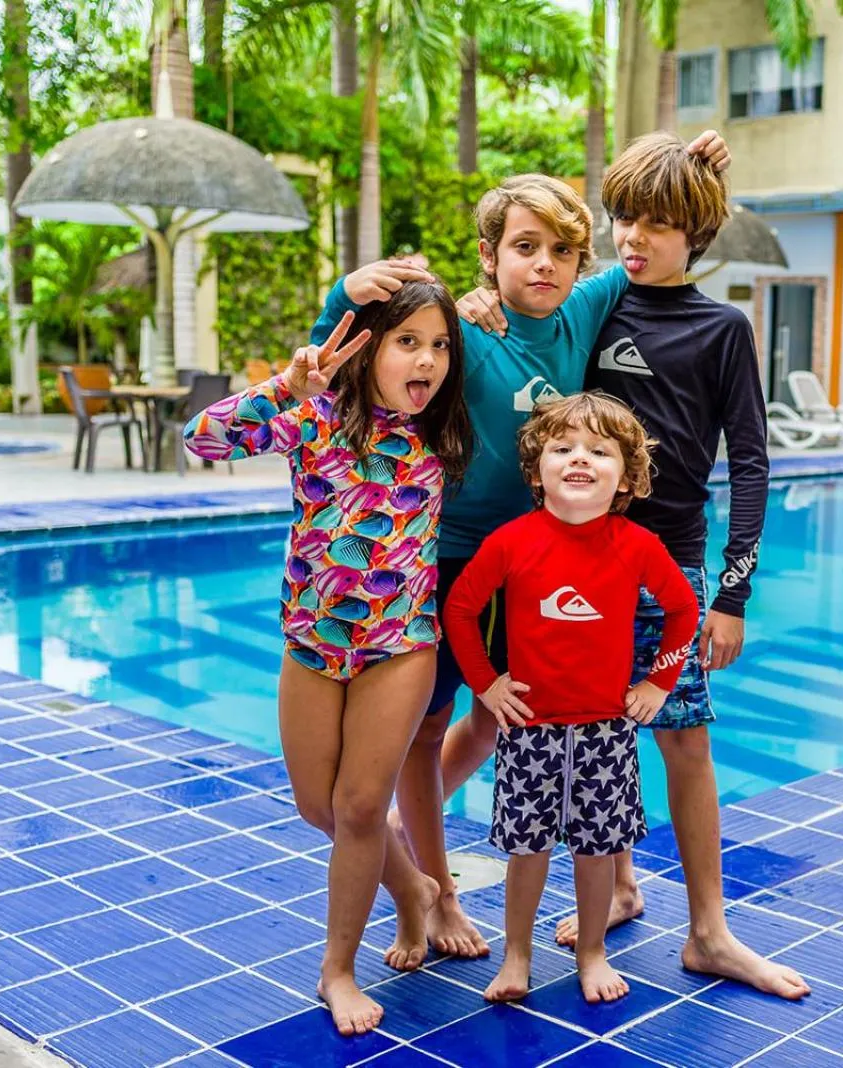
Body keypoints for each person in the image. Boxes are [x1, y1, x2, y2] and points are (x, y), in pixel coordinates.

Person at [309, 133, 730, 961]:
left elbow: (658, 236)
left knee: (505, 714)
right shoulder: (463, 333)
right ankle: (436, 890)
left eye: (561, 252)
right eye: (524, 247)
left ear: (580, 265)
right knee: (428, 728)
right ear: (489, 256)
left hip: (538, 563)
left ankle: (428, 845)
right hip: (447, 557)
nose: (544, 264)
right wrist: (345, 296)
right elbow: (350, 362)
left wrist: (697, 168)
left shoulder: (586, 306)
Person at [447, 132, 809, 999]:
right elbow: (523, 311)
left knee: (684, 739)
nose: (634, 238)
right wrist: (476, 299)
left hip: (666, 566)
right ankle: (612, 886)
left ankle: (710, 932)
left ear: (697, 235)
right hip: (563, 569)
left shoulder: (724, 329)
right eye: (624, 220)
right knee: (566, 726)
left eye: (658, 224)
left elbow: (750, 463)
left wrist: (732, 594)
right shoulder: (596, 305)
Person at [183, 268, 474, 1035]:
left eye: (440, 345)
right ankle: (412, 888)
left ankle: (338, 969)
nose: (427, 359)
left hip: (400, 647)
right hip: (312, 643)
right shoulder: (314, 419)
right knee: (319, 807)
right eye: (408, 341)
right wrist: (285, 386)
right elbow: (201, 439)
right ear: (370, 348)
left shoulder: (445, 435)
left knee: (360, 807)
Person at [442, 393, 698, 1004]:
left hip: (607, 729)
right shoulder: (511, 541)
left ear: (627, 478)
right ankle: (517, 954)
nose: (579, 459)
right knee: (527, 850)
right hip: (529, 728)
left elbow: (683, 610)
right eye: (563, 448)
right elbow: (460, 609)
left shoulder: (637, 544)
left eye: (599, 451)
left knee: (597, 850)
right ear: (537, 472)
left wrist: (658, 684)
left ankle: (592, 953)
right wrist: (486, 683)